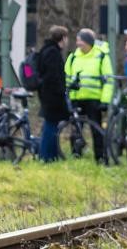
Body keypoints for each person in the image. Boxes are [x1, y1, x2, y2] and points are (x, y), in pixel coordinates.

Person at [64, 28, 112, 162]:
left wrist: (105, 100)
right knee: (76, 130)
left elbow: (108, 81)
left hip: (94, 99)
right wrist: (68, 94)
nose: (78, 44)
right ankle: (76, 156)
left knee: (96, 130)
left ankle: (100, 158)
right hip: (76, 98)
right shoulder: (73, 57)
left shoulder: (101, 56)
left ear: (88, 42)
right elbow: (66, 77)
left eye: (81, 41)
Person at [35, 25, 70, 162]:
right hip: (52, 96)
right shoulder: (53, 53)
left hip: (47, 94)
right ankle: (46, 156)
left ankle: (51, 156)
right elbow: (53, 76)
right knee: (51, 126)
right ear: (63, 38)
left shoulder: (46, 50)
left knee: (52, 125)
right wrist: (61, 90)